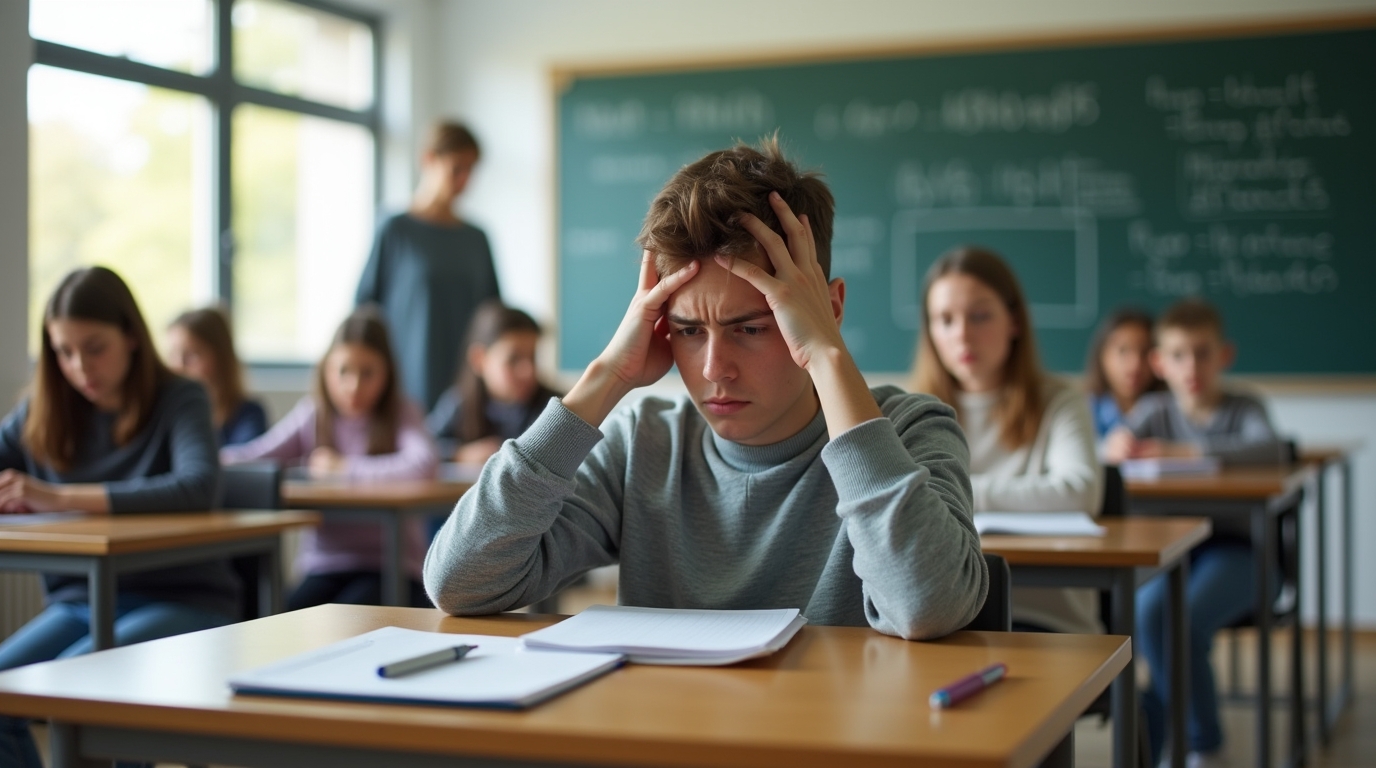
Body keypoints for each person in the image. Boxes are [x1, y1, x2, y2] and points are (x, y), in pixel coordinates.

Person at [424, 137, 987, 638]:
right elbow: (460, 583)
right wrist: (604, 379)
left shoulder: (911, 430)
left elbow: (927, 607)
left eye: (750, 328)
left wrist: (827, 356)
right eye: (689, 332)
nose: (715, 367)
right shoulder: (643, 443)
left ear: (827, 309)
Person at [0, 267, 231, 768]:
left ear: (130, 336)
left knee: (69, 684)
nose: (80, 365)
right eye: (63, 351)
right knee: (6, 691)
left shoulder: (180, 396)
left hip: (181, 598)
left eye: (94, 346)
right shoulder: (43, 408)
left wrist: (57, 498)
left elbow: (196, 488)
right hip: (81, 601)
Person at [1104, 298, 1288, 766]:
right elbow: (1111, 453)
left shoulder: (1244, 407)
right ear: (1159, 363)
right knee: (1149, 616)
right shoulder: (1151, 409)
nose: (1192, 367)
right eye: (1179, 355)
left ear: (1223, 356)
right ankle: (1177, 735)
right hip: (1169, 554)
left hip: (1239, 554)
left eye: (1203, 353)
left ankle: (1201, 744)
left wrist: (1182, 450)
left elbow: (1271, 449)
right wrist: (1115, 446)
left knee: (1182, 619)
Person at [908, 246, 1103, 635]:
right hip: (947, 623)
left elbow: (1081, 491)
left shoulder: (1058, 402)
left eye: (979, 315)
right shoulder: (911, 409)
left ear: (1014, 322)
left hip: (1048, 623)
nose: (962, 333)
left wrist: (956, 495)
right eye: (944, 320)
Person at [222, 307, 439, 609]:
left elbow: (423, 465)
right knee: (284, 619)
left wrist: (343, 468)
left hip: (391, 568)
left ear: (387, 373)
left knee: (344, 620)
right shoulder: (313, 413)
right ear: (326, 371)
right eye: (343, 372)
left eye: (368, 373)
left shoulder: (403, 413)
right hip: (324, 567)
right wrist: (205, 461)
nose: (354, 386)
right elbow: (255, 456)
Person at [356, 120, 502, 412]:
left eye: (471, 171)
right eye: (457, 168)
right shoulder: (396, 230)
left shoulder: (476, 238)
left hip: (466, 388)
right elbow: (366, 309)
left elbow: (493, 315)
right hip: (408, 384)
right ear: (429, 160)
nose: (464, 180)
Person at [426, 300, 562, 464]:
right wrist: (459, 453)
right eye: (513, 359)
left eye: (532, 357)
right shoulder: (459, 402)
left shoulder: (555, 407)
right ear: (479, 359)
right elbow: (426, 445)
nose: (528, 371)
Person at [166, 305, 268, 447]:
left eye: (192, 355)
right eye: (172, 355)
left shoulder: (248, 414)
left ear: (221, 357)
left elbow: (247, 458)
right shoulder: (168, 416)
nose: (178, 366)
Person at [1083, 306, 1163, 439]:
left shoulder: (1170, 411)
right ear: (1102, 355)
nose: (1135, 365)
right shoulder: (1084, 410)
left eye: (1144, 352)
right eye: (1123, 351)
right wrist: (1105, 450)